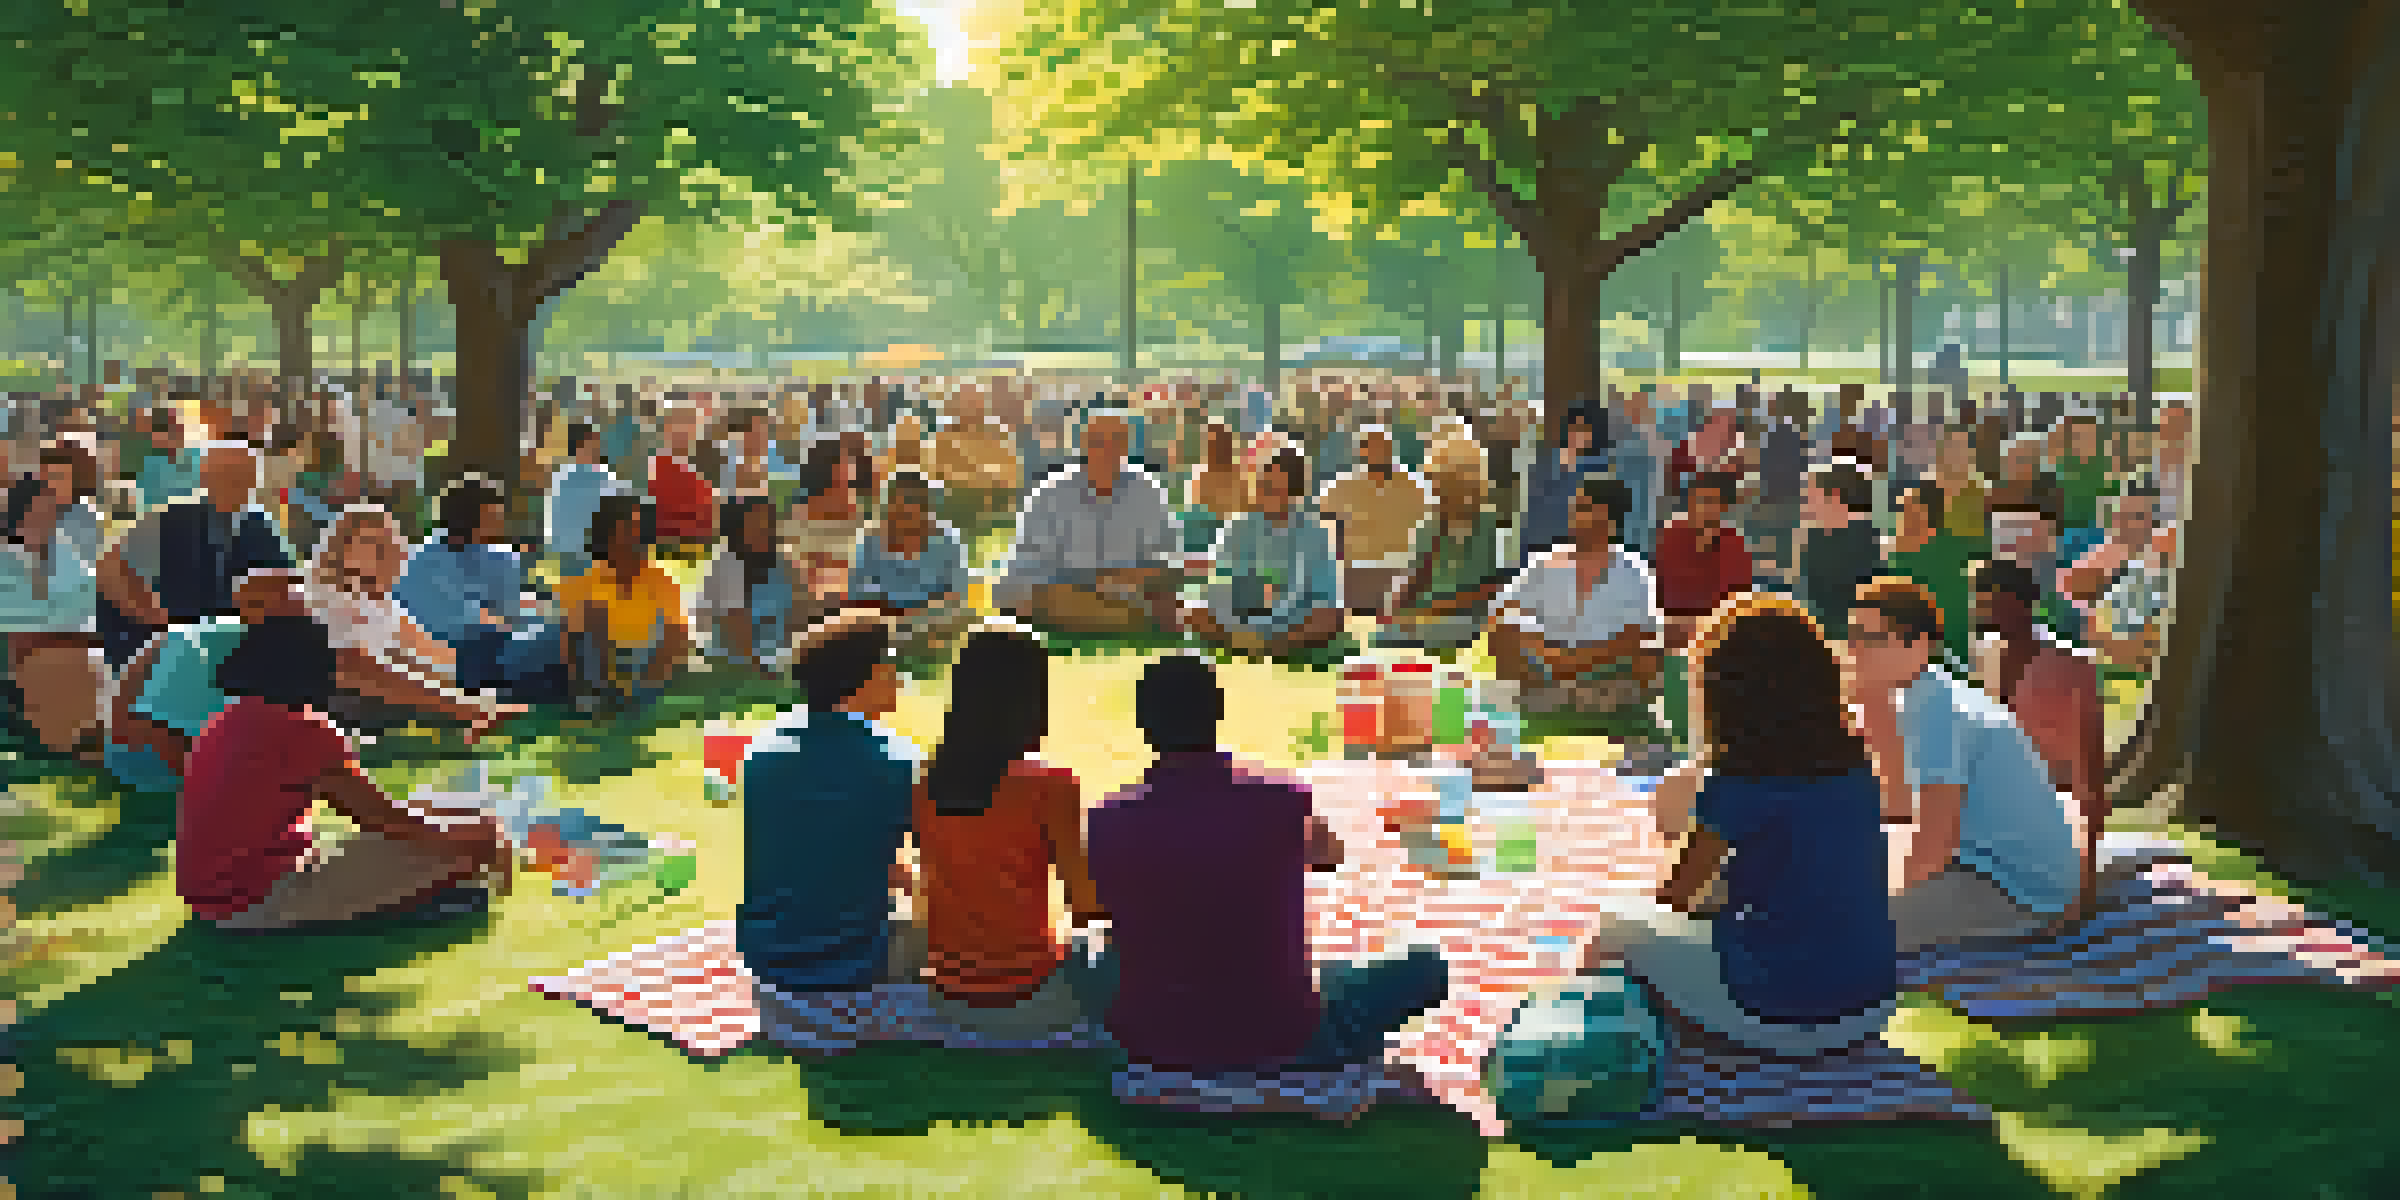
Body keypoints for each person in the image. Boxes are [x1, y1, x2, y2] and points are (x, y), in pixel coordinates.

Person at [1085, 653, 1447, 1077]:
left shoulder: (1107, 818)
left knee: (1086, 952)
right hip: (1283, 1038)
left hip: (1154, 1042)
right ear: (1218, 712)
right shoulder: (1282, 798)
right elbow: (1331, 854)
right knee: (1425, 966)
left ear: (1143, 725)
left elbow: (1109, 925)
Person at [1585, 592, 1899, 1054]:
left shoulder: (1738, 782)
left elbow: (1675, 897)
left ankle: (1601, 1048)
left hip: (1780, 1009)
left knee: (1616, 927)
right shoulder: (1855, 766)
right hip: (1870, 1006)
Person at [184, 613, 511, 933]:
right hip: (254, 898)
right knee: (450, 851)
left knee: (442, 819)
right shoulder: (299, 728)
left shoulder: (228, 718)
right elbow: (381, 818)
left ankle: (422, 891)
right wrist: (474, 839)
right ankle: (419, 901)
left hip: (213, 895)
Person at [1845, 578, 2081, 952]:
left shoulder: (1937, 710)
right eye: (1852, 635)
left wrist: (1894, 898)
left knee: (1845, 931)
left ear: (1917, 645)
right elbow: (1900, 806)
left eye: (1870, 638)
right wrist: (1873, 705)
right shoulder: (1927, 693)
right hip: (1992, 866)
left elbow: (1933, 842)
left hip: (2015, 889)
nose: (1854, 649)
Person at [912, 622, 1108, 1040]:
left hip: (946, 996)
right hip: (1032, 996)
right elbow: (1087, 907)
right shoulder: (1049, 783)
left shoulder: (923, 778)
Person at [741, 613, 927, 1029]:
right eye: (893, 665)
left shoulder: (761, 752)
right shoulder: (898, 762)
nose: (899, 677)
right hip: (858, 965)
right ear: (872, 674)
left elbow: (818, 846)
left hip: (768, 959)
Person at [1488, 478, 1668, 754]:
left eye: (1584, 508)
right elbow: (1502, 614)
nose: (1574, 514)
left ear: (1609, 519)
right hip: (1544, 672)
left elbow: (1636, 637)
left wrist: (1574, 661)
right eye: (1576, 506)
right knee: (1504, 638)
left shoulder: (1635, 571)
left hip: (1608, 675)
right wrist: (1548, 653)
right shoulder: (1545, 563)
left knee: (1646, 656)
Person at [1971, 559, 2107, 922]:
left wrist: (2086, 878)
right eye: (1976, 597)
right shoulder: (1983, 656)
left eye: (1986, 597)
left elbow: (2090, 780)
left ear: (2018, 602)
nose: (1976, 607)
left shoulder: (2073, 667)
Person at [307, 504, 519, 735]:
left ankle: (472, 709)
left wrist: (451, 683)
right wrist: (459, 703)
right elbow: (354, 667)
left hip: (390, 693)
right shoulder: (328, 595)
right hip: (350, 699)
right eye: (376, 546)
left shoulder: (379, 600)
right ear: (342, 548)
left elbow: (430, 650)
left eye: (389, 545)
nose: (388, 555)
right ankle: (469, 712)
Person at [95, 440, 296, 670]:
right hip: (175, 646)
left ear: (254, 482)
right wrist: (155, 619)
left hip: (235, 646)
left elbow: (288, 584)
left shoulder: (261, 528)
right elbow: (108, 569)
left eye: (241, 477)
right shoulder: (172, 518)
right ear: (204, 478)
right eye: (222, 475)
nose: (231, 484)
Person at [994, 409, 1187, 637]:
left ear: (1126, 446)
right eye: (1098, 442)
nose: (1107, 450)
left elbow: (1166, 558)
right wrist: (1090, 583)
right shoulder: (1051, 491)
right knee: (1043, 595)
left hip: (1123, 591)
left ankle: (1106, 619)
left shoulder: (1148, 491)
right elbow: (1029, 564)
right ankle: (1121, 621)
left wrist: (1125, 578)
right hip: (1063, 591)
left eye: (1115, 441)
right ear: (1083, 443)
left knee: (1163, 596)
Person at [396, 477, 568, 705]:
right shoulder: (424, 560)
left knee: (556, 631)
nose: (500, 524)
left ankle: (527, 687)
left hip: (478, 649)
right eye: (492, 518)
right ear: (466, 520)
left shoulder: (498, 556)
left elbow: (506, 613)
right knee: (552, 636)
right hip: (455, 657)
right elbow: (490, 621)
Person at [1186, 445, 1345, 658]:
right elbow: (1222, 585)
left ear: (1294, 492)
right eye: (1265, 486)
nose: (1268, 494)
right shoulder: (1237, 528)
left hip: (1294, 619)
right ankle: (1255, 642)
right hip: (1241, 615)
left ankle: (1262, 644)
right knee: (1195, 612)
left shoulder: (1316, 534)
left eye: (1277, 488)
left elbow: (1326, 599)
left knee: (1329, 618)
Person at [0, 454, 108, 757]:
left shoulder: (67, 553)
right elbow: (20, 628)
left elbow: (87, 610)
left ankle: (86, 737)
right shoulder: (8, 556)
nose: (49, 514)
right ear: (22, 512)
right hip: (32, 656)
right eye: (42, 507)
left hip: (76, 650)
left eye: (52, 508)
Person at [559, 494, 692, 716]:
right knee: (593, 612)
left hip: (646, 661)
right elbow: (570, 642)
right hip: (602, 662)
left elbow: (677, 636)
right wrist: (579, 685)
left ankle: (628, 696)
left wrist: (653, 675)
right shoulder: (586, 580)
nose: (636, 536)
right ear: (608, 537)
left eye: (638, 528)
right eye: (628, 529)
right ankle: (597, 695)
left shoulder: (660, 579)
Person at [1378, 435, 1506, 653]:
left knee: (1439, 634)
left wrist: (1431, 611)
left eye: (1443, 482)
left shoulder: (1487, 525)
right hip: (1425, 614)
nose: (1436, 489)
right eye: (1433, 481)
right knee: (1384, 637)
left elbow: (1486, 589)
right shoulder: (1431, 525)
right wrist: (1397, 605)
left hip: (1466, 618)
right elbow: (1415, 575)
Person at [847, 471, 973, 663]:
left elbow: (957, 600)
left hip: (934, 636)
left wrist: (916, 619)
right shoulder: (870, 543)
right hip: (879, 634)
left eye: (908, 511)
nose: (898, 519)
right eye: (894, 510)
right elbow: (859, 597)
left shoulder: (947, 543)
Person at [1316, 426, 1432, 618]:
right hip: (1355, 572)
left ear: (1392, 450)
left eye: (1382, 448)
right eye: (1370, 448)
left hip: (1399, 570)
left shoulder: (1413, 486)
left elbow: (1427, 533)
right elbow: (1321, 522)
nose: (1377, 453)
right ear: (1361, 452)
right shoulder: (1344, 485)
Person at [2059, 485, 2171, 675]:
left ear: (2152, 525)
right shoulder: (2096, 558)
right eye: (2122, 513)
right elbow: (2067, 608)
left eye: (2136, 516)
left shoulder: (2155, 574)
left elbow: (2146, 648)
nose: (2124, 522)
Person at [696, 493, 805, 679]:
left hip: (780, 659)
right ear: (737, 529)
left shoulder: (783, 564)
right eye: (756, 523)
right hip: (733, 665)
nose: (765, 529)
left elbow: (798, 618)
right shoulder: (725, 567)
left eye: (768, 522)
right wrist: (770, 673)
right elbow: (737, 639)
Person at [1883, 482, 1983, 670]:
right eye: (1902, 513)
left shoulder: (1953, 552)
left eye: (1910, 513)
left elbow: (1957, 615)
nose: (1902, 520)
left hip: (1949, 654)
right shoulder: (1897, 556)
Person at [785, 438, 873, 626]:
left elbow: (868, 564)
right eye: (846, 463)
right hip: (814, 609)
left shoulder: (859, 514)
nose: (851, 469)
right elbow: (798, 572)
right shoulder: (801, 518)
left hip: (857, 603)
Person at [1796, 463, 1885, 643]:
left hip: (1852, 639)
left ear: (1834, 496)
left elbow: (1867, 602)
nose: (1806, 503)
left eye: (1812, 495)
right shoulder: (1813, 538)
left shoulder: (1866, 539)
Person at [929, 383, 1023, 548]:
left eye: (974, 404)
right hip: (955, 514)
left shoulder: (997, 435)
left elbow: (1009, 478)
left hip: (993, 514)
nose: (969, 409)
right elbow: (937, 476)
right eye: (963, 404)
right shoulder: (943, 438)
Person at [1518, 405, 1608, 567]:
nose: (1580, 436)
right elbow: (1532, 515)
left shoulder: (1597, 468)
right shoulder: (1544, 464)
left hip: (1580, 553)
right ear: (1567, 430)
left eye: (1586, 430)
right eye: (1576, 429)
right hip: (1542, 548)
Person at [547, 422, 627, 580]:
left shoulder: (607, 477)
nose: (595, 448)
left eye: (596, 443)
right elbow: (557, 522)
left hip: (601, 554)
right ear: (577, 447)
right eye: (590, 443)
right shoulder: (563, 478)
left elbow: (618, 515)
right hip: (569, 555)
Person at [647, 401, 716, 554]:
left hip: (699, 548)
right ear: (667, 428)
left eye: (691, 425)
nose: (686, 431)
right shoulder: (658, 466)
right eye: (681, 424)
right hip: (671, 550)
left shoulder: (698, 465)